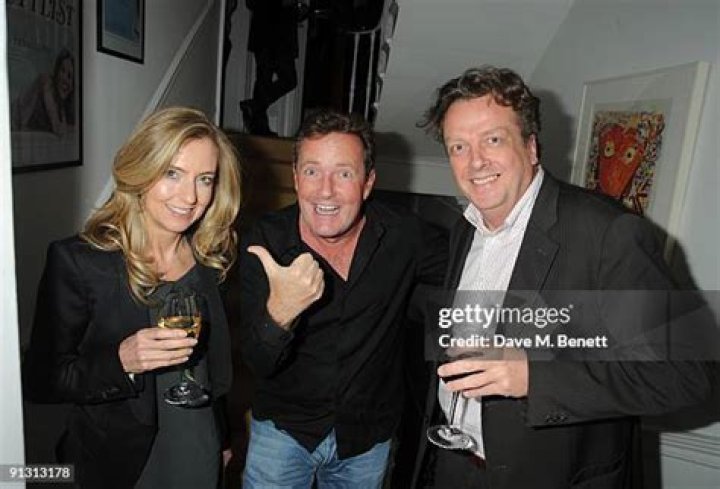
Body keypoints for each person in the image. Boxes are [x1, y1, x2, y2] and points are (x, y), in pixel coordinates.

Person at [412, 66, 713, 489]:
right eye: (458, 146)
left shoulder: (608, 232)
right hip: (455, 463)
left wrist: (534, 377)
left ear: (531, 147)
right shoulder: (465, 227)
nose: (475, 161)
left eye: (493, 140)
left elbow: (684, 374)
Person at [23, 107, 242, 488]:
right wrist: (121, 362)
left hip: (198, 444)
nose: (190, 196)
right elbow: (40, 381)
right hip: (123, 464)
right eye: (172, 173)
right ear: (141, 170)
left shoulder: (210, 258)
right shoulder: (80, 262)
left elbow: (212, 367)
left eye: (205, 179)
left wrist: (220, 438)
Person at [237, 108, 447, 488]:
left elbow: (474, 264)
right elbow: (256, 362)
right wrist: (280, 312)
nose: (326, 190)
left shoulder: (406, 236)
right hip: (284, 433)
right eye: (312, 171)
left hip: (366, 438)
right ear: (296, 178)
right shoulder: (266, 241)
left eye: (344, 174)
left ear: (368, 183)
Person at [239, 0, 305, 136]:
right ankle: (258, 117)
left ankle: (258, 122)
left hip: (269, 30)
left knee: (265, 79)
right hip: (273, 30)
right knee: (284, 79)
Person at [11, 48, 75, 136]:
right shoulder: (46, 83)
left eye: (69, 76)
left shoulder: (61, 103)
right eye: (62, 70)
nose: (64, 78)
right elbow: (58, 128)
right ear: (57, 71)